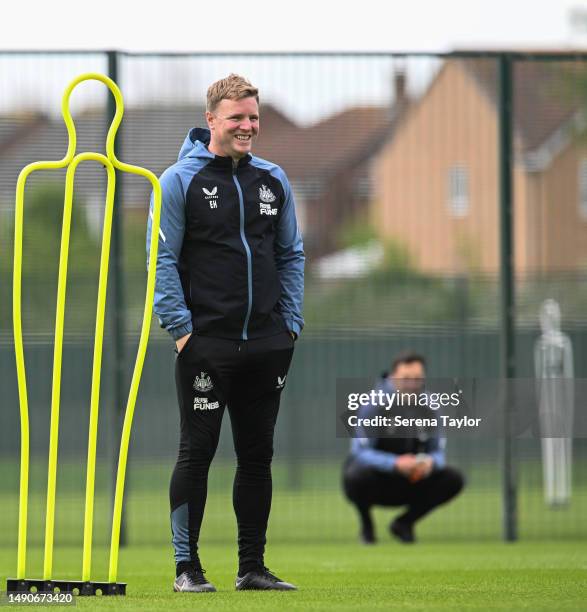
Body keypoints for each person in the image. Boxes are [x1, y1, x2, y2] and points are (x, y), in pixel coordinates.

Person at [146, 74, 304, 592]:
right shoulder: (178, 180)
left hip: (266, 343)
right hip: (206, 344)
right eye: (237, 117)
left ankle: (251, 568)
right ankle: (186, 569)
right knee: (197, 453)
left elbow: (290, 255)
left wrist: (290, 325)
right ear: (211, 119)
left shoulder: (273, 180)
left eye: (253, 117)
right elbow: (161, 260)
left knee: (258, 456)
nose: (247, 126)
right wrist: (182, 330)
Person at [342, 352, 464, 544]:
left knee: (453, 478)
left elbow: (438, 452)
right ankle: (367, 527)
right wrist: (395, 463)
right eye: (406, 379)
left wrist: (429, 463)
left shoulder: (431, 407)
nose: (412, 384)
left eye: (417, 379)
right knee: (354, 474)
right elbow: (360, 451)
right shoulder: (374, 405)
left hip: (413, 480)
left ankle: (404, 523)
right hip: (378, 480)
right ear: (393, 377)